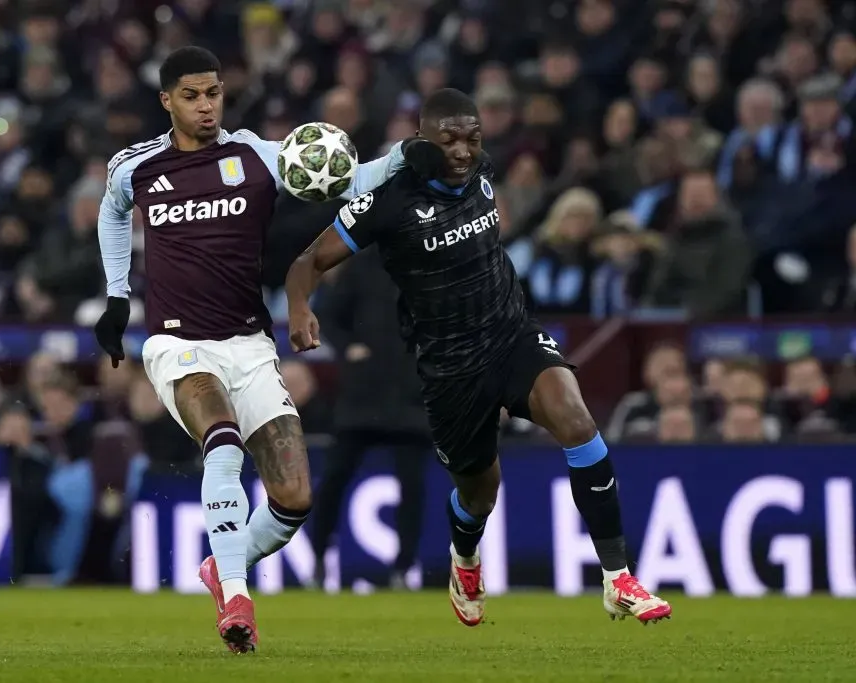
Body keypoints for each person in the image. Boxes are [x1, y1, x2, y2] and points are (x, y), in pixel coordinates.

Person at [284, 88, 672, 627]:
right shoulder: (389, 202)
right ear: (424, 141)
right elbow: (308, 261)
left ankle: (618, 577)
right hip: (449, 369)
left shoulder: (484, 169)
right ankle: (464, 556)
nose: (464, 151)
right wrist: (300, 307)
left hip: (511, 335)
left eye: (472, 137)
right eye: (449, 140)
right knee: (479, 492)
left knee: (579, 422)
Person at [93, 46, 406, 653]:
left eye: (213, 93)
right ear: (167, 101)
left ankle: (221, 565)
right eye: (191, 95)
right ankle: (236, 598)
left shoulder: (256, 157)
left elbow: (353, 179)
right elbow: (112, 212)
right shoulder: (136, 167)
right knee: (223, 438)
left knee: (293, 497)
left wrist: (404, 157)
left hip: (249, 343)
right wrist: (116, 295)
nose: (206, 105)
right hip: (179, 344)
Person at [308, 247, 432, 590]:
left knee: (413, 485)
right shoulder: (362, 266)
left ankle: (403, 568)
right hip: (366, 393)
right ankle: (317, 558)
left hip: (410, 394)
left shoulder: (430, 261)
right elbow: (326, 315)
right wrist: (348, 347)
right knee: (334, 478)